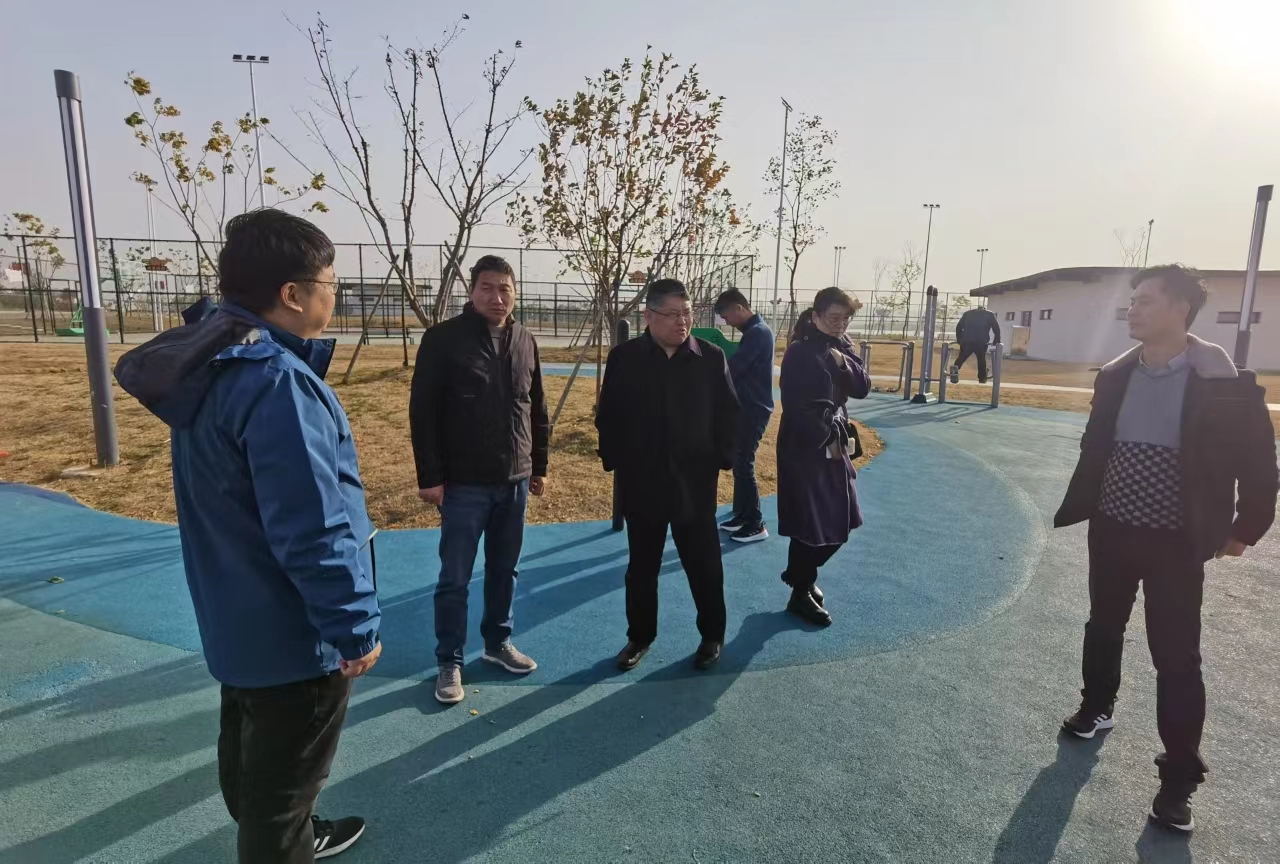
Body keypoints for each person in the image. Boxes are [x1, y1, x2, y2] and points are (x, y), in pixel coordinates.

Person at [113, 208, 381, 862]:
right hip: (295, 634)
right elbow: (312, 528)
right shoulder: (276, 384)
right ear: (292, 294)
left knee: (251, 764)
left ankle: (299, 833)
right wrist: (353, 626)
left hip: (239, 616)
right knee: (279, 801)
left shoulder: (213, 360)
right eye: (330, 282)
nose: (335, 294)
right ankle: (291, 839)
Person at [1054, 264, 1277, 833]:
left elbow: (1259, 461)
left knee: (1176, 658)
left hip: (1176, 543)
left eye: (1146, 300)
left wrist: (1246, 526)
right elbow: (1097, 445)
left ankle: (1178, 780)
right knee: (1103, 625)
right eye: (1133, 300)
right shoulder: (1116, 376)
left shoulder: (1224, 383)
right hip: (1111, 529)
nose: (1133, 309)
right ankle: (1097, 705)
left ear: (1181, 308)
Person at [410, 255, 550, 705]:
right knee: (455, 576)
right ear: (471, 292)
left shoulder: (525, 340)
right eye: (487, 287)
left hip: (514, 480)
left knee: (505, 569)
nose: (497, 297)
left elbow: (536, 408)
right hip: (463, 483)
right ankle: (449, 660)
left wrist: (538, 465)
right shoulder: (443, 339)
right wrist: (430, 476)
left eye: (505, 288)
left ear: (515, 293)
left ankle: (497, 643)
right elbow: (424, 413)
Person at [596, 278, 740, 672]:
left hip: (695, 483)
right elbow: (608, 415)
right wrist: (616, 460)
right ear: (648, 315)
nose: (682, 322)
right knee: (642, 567)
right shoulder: (625, 358)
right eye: (673, 314)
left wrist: (721, 458)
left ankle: (712, 635)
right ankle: (639, 636)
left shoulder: (709, 357)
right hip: (642, 482)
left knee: (704, 565)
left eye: (688, 313)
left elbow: (729, 412)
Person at [775, 287, 871, 627]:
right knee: (810, 521)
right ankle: (800, 589)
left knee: (843, 518)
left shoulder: (842, 345)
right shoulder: (800, 351)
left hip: (834, 439)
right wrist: (825, 435)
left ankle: (801, 578)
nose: (840, 324)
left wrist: (843, 362)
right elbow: (795, 405)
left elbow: (862, 387)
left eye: (846, 318)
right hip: (806, 446)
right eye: (833, 317)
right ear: (815, 316)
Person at [713, 289, 776, 544]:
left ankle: (755, 523)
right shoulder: (755, 332)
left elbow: (734, 369)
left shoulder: (758, 333)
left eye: (726, 316)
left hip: (754, 408)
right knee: (739, 462)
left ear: (739, 308)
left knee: (744, 462)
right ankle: (742, 514)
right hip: (748, 407)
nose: (726, 322)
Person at [950, 305, 1001, 384]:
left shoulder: (967, 314)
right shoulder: (989, 315)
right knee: (981, 360)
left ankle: (954, 373)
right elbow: (996, 328)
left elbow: (959, 327)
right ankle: (982, 378)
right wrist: (996, 340)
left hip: (967, 340)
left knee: (961, 358)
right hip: (981, 341)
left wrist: (959, 339)